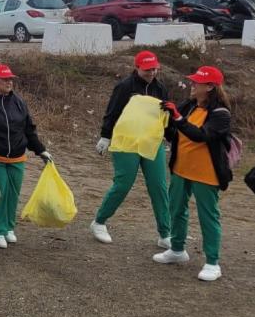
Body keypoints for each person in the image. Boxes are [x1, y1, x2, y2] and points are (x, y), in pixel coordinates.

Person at [154, 66, 233, 282]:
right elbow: (176, 130)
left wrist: (178, 118)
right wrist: (167, 119)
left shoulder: (221, 114)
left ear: (209, 87)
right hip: (181, 168)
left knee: (208, 215)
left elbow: (201, 136)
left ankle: (212, 262)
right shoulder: (190, 105)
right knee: (176, 208)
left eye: (197, 82)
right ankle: (177, 249)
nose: (192, 84)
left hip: (206, 173)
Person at [91, 50, 170, 246]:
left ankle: (165, 234)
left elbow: (165, 115)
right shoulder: (125, 86)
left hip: (151, 141)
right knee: (123, 184)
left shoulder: (160, 88)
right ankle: (99, 222)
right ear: (137, 68)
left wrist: (172, 137)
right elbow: (113, 111)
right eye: (147, 69)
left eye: (154, 69)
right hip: (126, 141)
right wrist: (105, 136)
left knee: (158, 186)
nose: (151, 72)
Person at [0, 64, 51, 249]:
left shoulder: (19, 102)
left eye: (10, 79)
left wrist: (41, 150)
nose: (9, 82)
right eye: (5, 79)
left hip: (17, 157)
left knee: (13, 195)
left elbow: (28, 129)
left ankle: (8, 227)